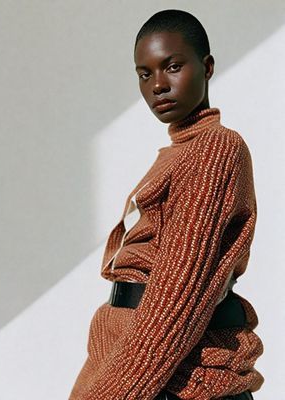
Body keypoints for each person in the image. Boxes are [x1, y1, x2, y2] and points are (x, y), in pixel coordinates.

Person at [68, 9, 264, 400]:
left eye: (172, 67)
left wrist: (115, 392)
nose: (158, 85)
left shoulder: (215, 149)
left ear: (206, 67)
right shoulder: (177, 153)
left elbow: (178, 294)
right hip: (131, 358)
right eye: (145, 74)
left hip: (176, 373)